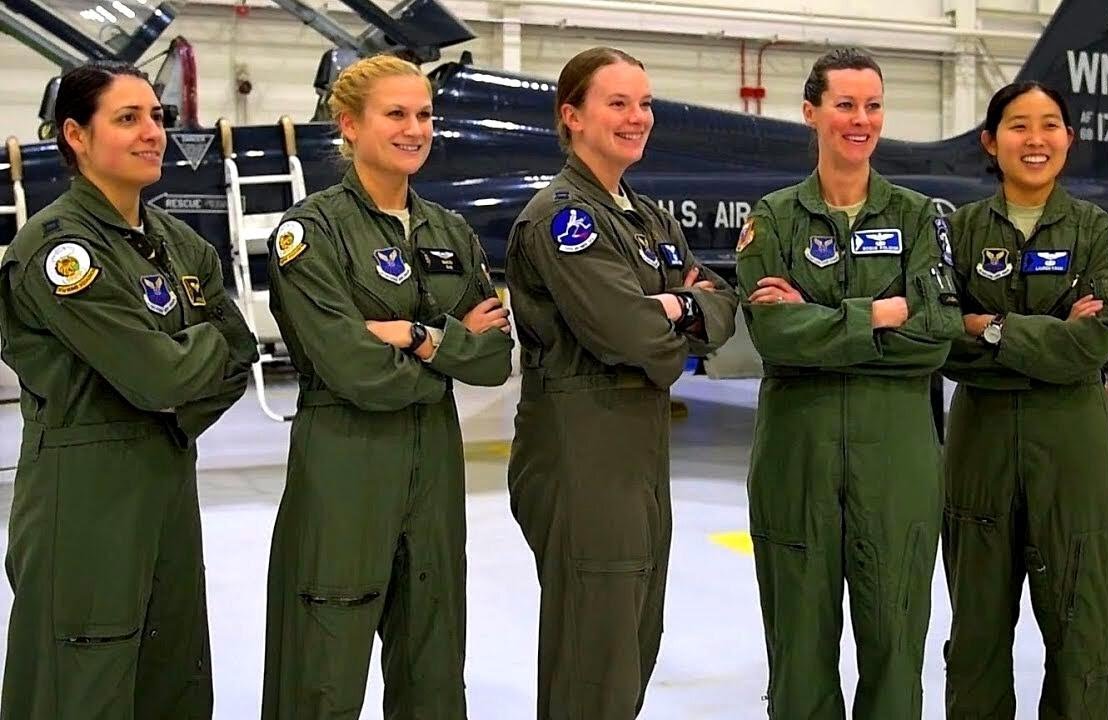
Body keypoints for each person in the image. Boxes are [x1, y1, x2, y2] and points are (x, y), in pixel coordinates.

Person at [0, 60, 257, 719]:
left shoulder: (176, 242)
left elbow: (241, 353)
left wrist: (175, 385)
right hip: (86, 500)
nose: (153, 133)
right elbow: (160, 375)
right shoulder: (60, 251)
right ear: (76, 135)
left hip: (168, 480)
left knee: (171, 680)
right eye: (127, 118)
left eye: (156, 117)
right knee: (81, 686)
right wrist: (187, 359)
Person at [260, 54, 513, 719]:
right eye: (396, 114)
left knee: (434, 660)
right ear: (349, 124)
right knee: (323, 663)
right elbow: (355, 370)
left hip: (434, 467)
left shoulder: (450, 231)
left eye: (424, 114)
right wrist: (449, 352)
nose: (415, 129)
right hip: (345, 461)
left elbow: (495, 360)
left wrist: (414, 335)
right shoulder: (311, 232)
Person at [504, 46, 738, 720]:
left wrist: (673, 309)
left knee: (634, 644)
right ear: (572, 116)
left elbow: (721, 305)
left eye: (645, 103)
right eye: (618, 103)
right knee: (594, 661)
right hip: (584, 455)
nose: (638, 117)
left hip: (637, 455)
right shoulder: (563, 218)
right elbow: (631, 336)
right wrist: (677, 319)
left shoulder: (648, 218)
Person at [733, 49, 963, 719]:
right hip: (796, 458)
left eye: (872, 106)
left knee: (895, 646)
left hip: (896, 461)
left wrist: (819, 319)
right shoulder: (775, 218)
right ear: (811, 112)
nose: (860, 120)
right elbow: (773, 335)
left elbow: (936, 334)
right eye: (845, 105)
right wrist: (880, 314)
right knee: (798, 653)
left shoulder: (919, 217)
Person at [940, 81, 1108, 718]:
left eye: (1050, 125)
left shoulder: (1102, 234)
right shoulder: (956, 233)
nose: (1035, 139)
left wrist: (991, 327)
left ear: (1069, 140)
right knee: (975, 640)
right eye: (1018, 125)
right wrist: (1049, 333)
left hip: (1072, 449)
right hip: (980, 446)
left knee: (1082, 637)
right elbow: (941, 340)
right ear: (990, 141)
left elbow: (1092, 345)